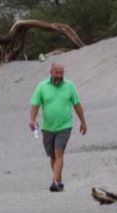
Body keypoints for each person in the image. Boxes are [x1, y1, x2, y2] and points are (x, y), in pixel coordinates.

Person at [28, 63, 87, 192]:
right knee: (53, 156)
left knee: (59, 153)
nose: (59, 76)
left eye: (61, 73)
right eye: (57, 73)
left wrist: (83, 121)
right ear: (51, 72)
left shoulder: (69, 86)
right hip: (47, 127)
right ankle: (59, 182)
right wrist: (32, 120)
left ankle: (54, 182)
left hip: (65, 126)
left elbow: (77, 105)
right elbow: (35, 104)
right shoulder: (42, 86)